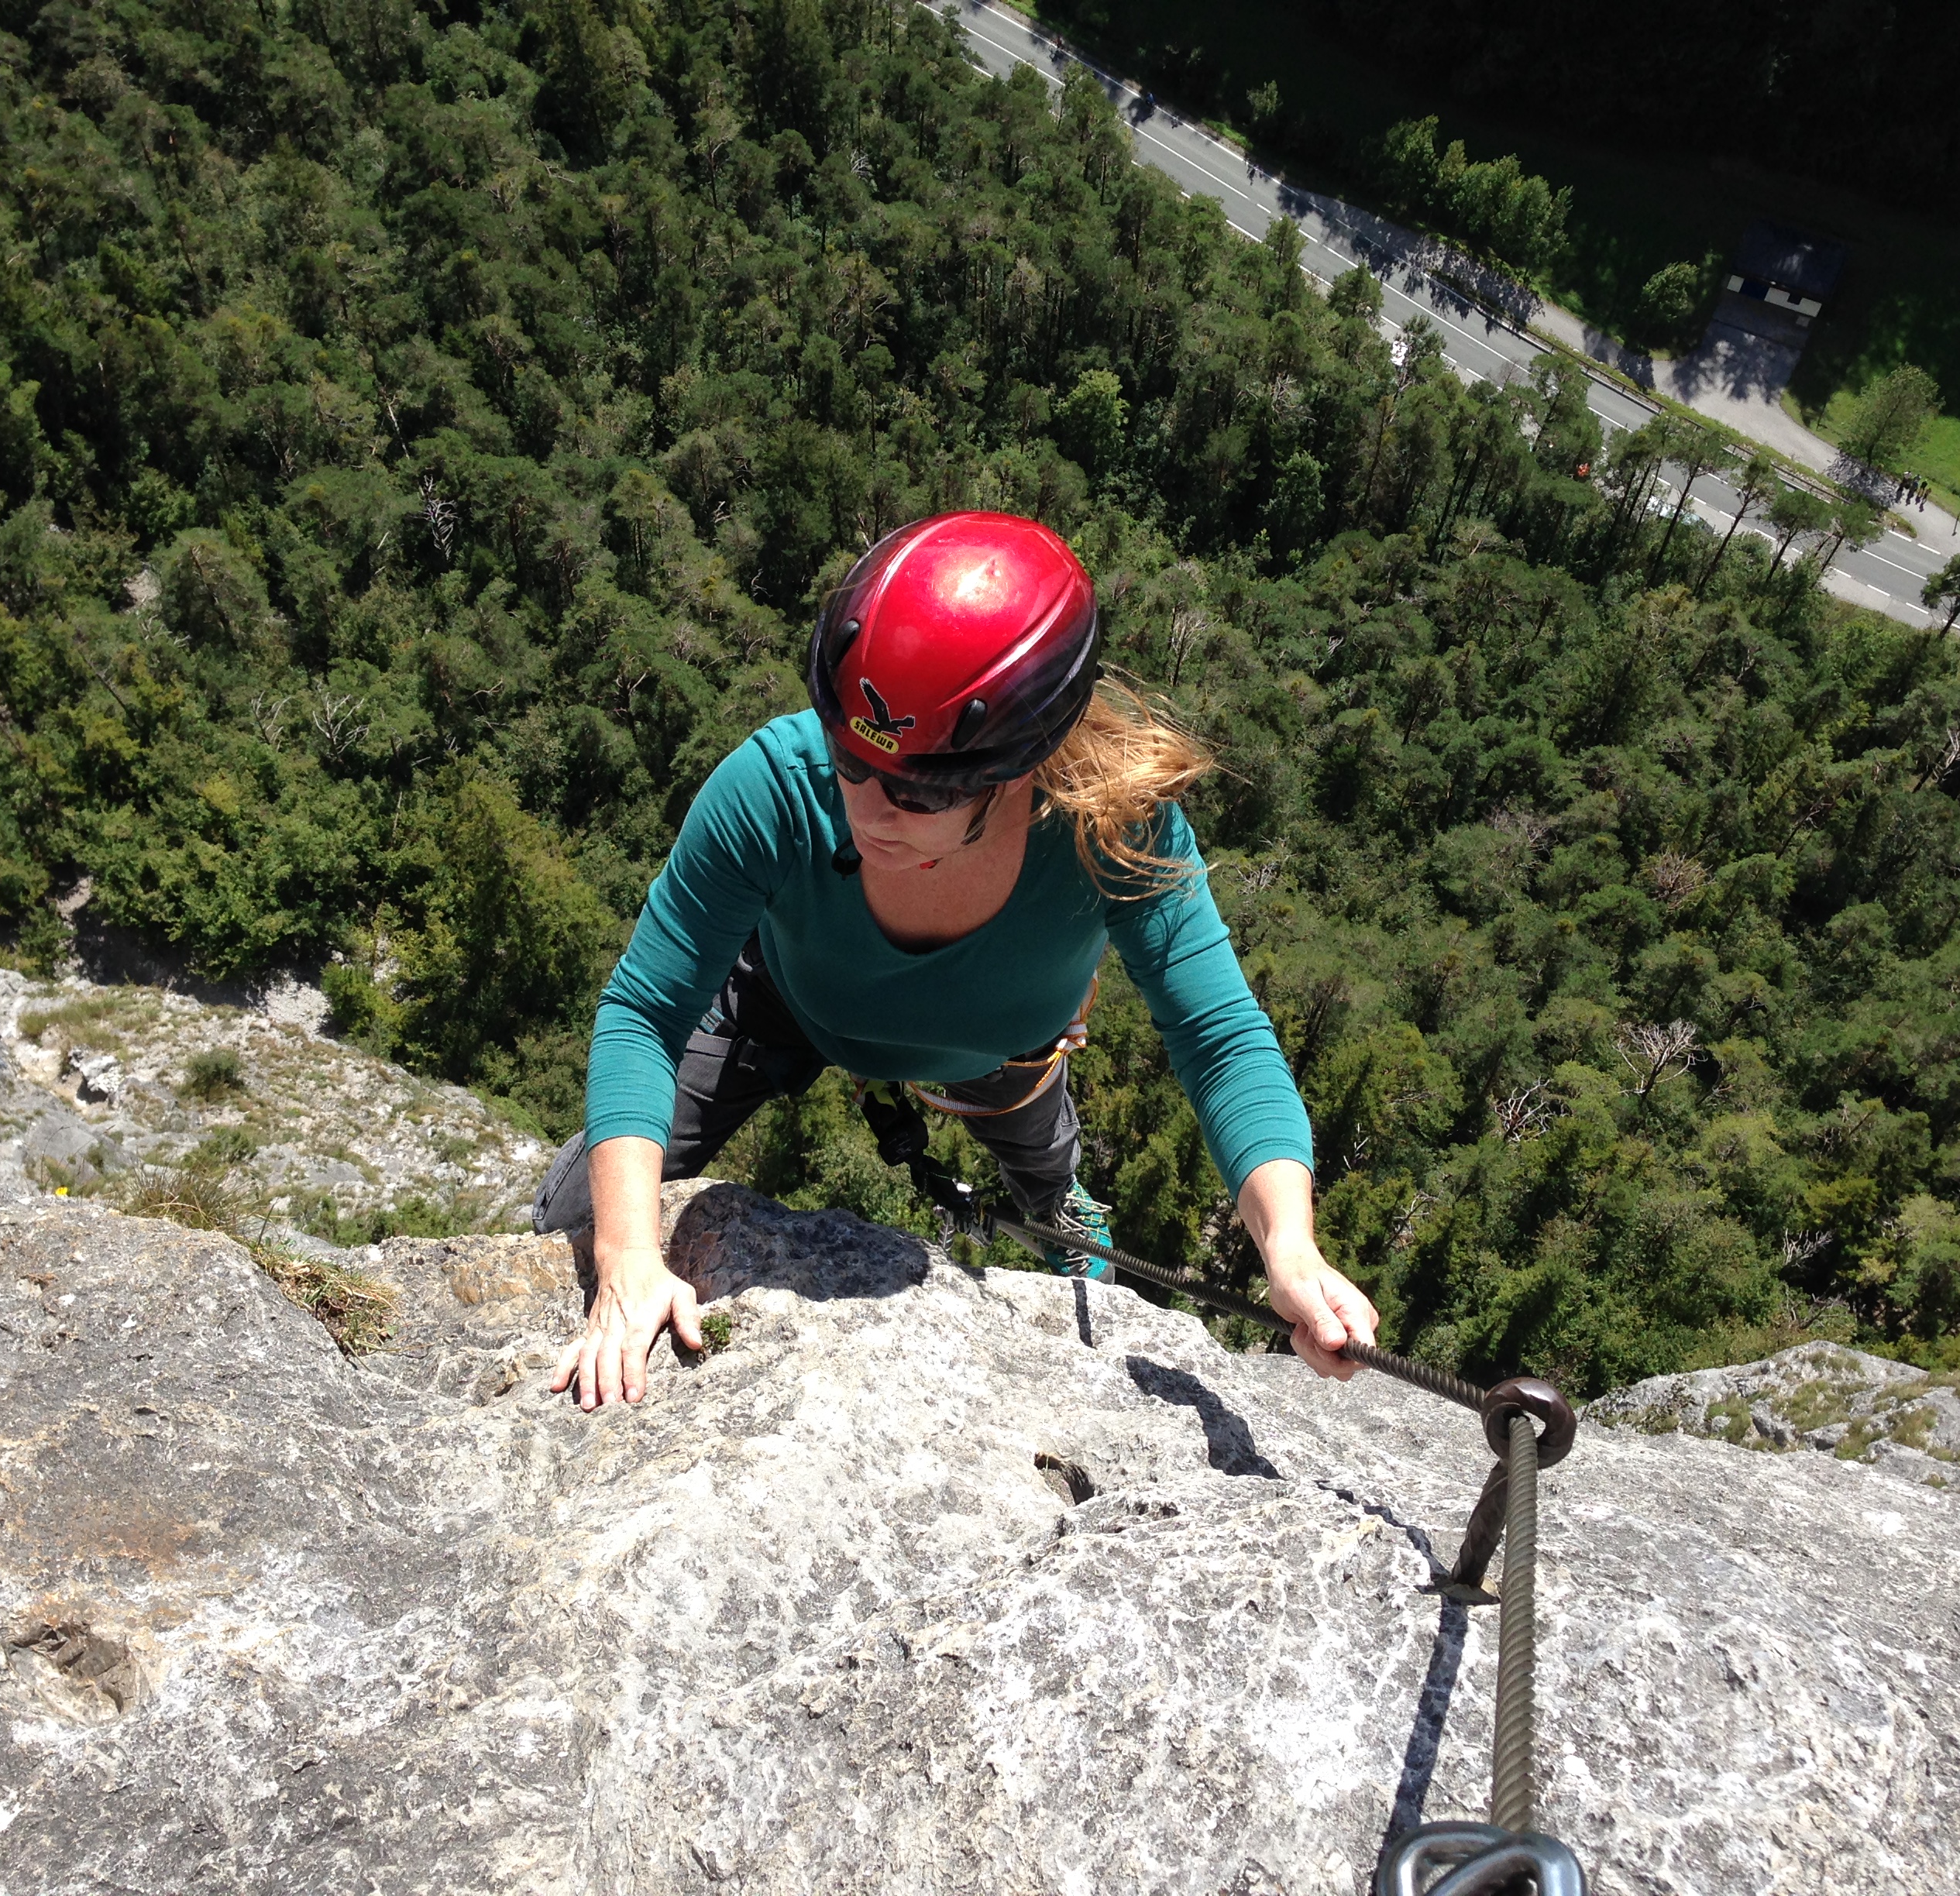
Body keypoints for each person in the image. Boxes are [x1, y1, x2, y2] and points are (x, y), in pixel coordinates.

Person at [540, 511, 1380, 1410]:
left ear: (1025, 763)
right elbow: (645, 1013)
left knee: (1055, 1203)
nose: (868, 808)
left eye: (919, 790)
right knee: (571, 1221)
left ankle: (1062, 1209)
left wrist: (1288, 1249)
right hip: (784, 1003)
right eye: (849, 758)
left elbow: (1219, 1038)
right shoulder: (776, 789)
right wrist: (629, 1259)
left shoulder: (1112, 835)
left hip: (1003, 1052)